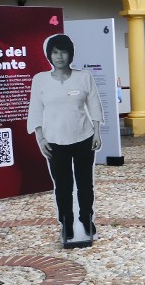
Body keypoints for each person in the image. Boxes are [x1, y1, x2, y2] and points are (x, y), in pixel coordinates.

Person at [27, 33, 103, 241]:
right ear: (49, 55)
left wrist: (97, 132)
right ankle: (66, 222)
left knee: (85, 183)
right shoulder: (40, 80)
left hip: (83, 137)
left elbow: (94, 104)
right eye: (55, 52)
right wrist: (40, 138)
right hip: (54, 141)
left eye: (63, 52)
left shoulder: (84, 77)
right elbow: (35, 109)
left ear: (71, 54)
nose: (59, 56)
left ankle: (87, 218)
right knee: (62, 185)